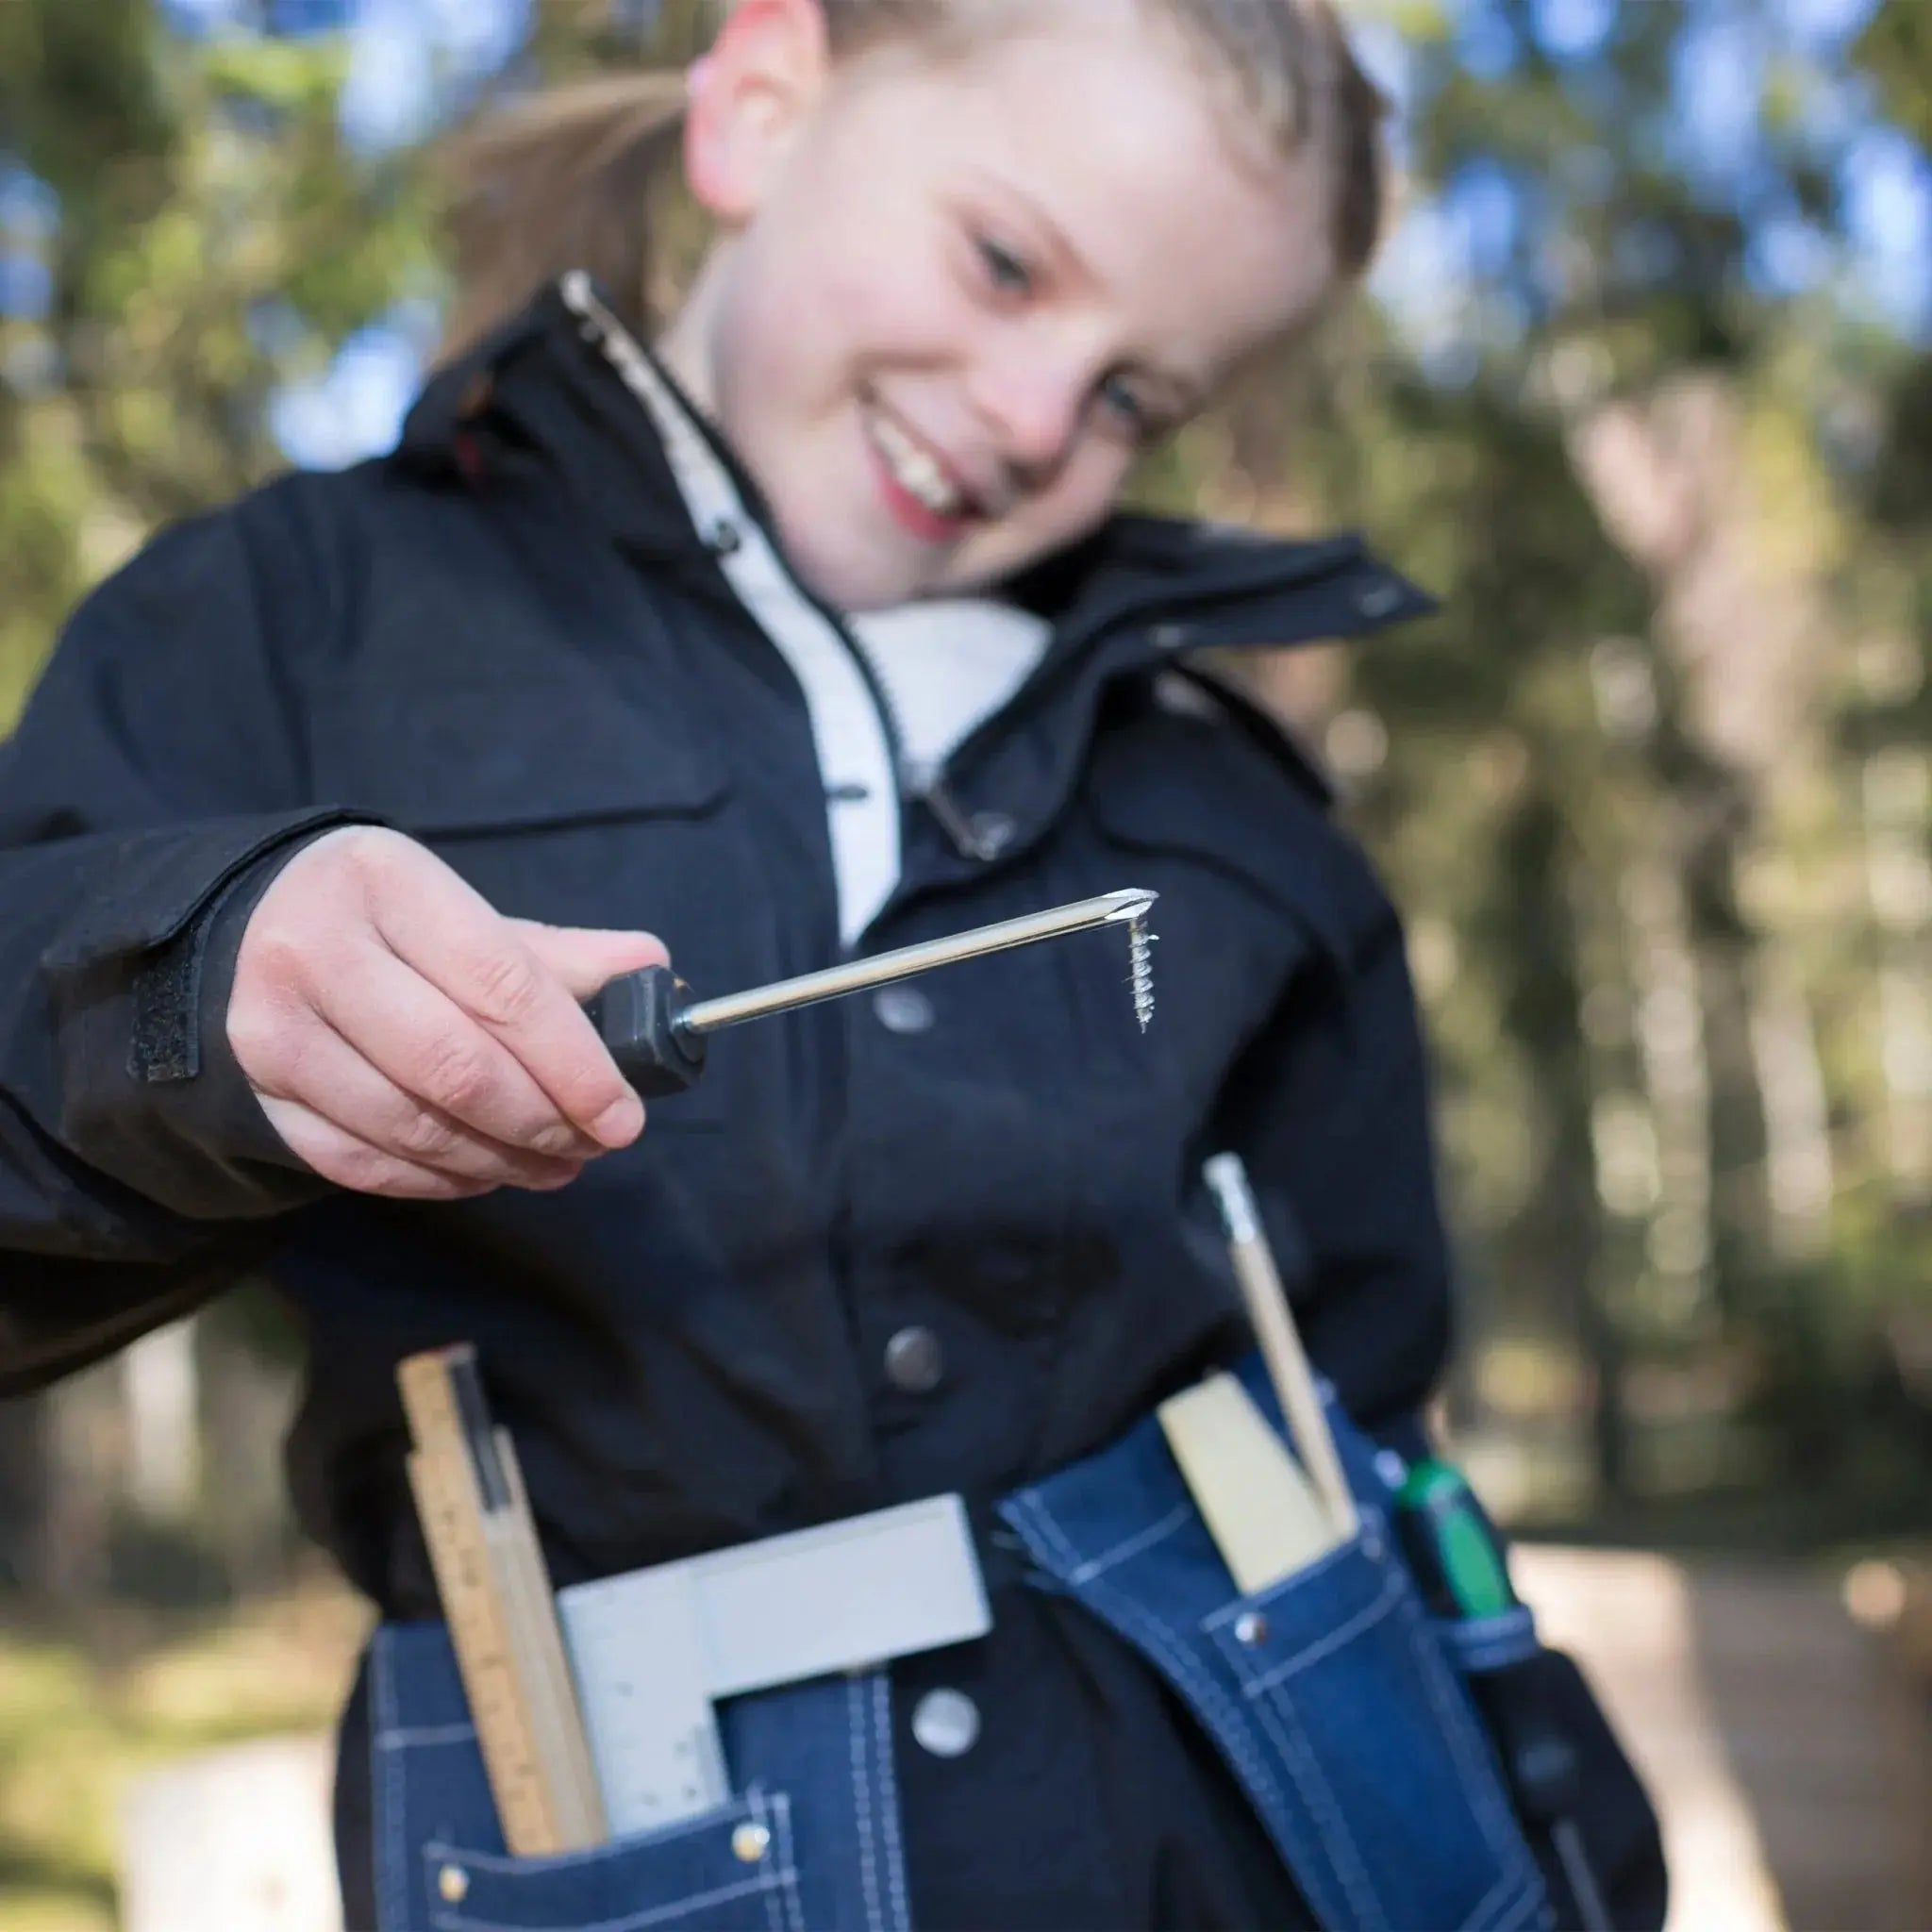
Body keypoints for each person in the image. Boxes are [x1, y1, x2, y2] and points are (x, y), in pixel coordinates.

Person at [0, 0, 1665, 1926]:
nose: (1038, 415)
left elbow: (1370, 1404)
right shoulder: (294, 622)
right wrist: (188, 1001)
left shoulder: (1227, 794)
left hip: (1265, 1831)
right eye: (1004, 261)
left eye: (1137, 394)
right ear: (760, 101)